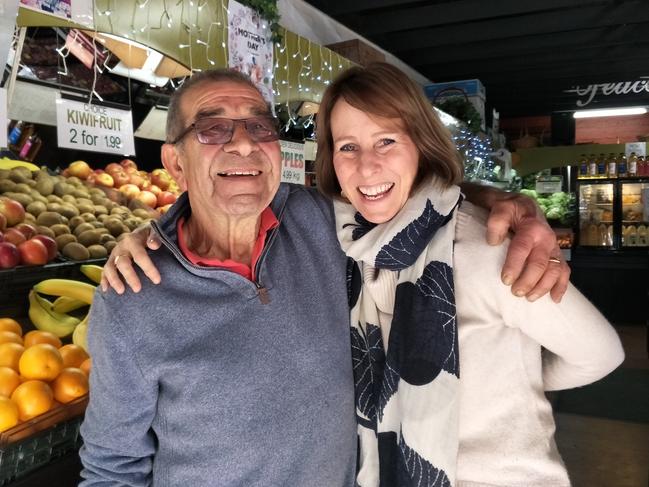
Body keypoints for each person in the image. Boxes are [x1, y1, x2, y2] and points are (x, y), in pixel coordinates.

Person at [90, 68, 570, 486]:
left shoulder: (320, 220)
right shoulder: (132, 296)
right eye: (213, 128)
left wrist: (506, 203)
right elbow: (112, 468)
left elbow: (409, 194)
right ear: (175, 163)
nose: (243, 143)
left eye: (259, 125)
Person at [313, 62, 624, 486]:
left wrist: (527, 374)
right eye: (347, 146)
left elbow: (602, 352)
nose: (366, 166)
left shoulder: (485, 248)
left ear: (420, 144)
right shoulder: (345, 245)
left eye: (386, 140)